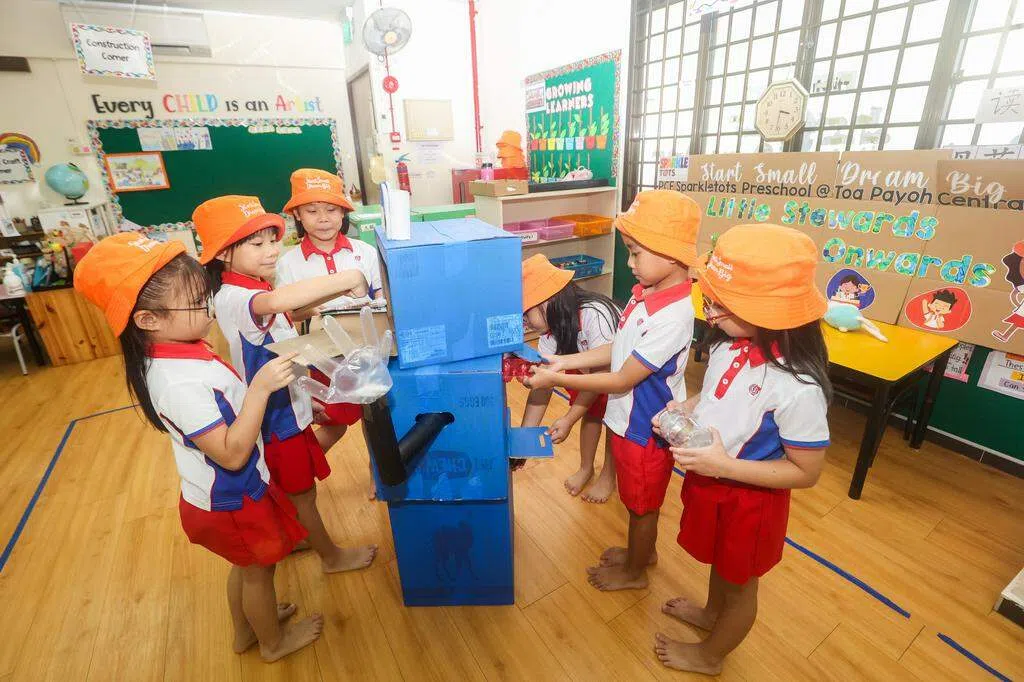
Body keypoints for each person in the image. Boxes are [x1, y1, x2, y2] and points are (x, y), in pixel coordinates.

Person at [74, 232, 323, 662]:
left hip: (225, 494)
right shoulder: (177, 383)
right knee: (259, 572)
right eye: (197, 304)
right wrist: (261, 388)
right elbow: (231, 454)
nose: (209, 311)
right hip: (232, 497)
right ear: (148, 320)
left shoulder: (181, 350)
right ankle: (272, 643)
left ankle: (247, 629)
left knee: (247, 566)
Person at [652, 224, 831, 676]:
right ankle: (711, 614)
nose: (709, 314)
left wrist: (724, 465)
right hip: (712, 480)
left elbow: (806, 471)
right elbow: (716, 395)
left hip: (750, 502)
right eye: (709, 300)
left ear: (766, 312)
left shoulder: (798, 387)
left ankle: (711, 656)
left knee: (741, 585)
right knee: (721, 563)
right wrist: (687, 407)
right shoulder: (729, 345)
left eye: (719, 305)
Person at [523, 189, 698, 591]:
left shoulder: (672, 316)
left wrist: (557, 378)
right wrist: (565, 362)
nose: (629, 263)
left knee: (642, 507)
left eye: (635, 253)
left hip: (645, 428)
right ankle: (642, 553)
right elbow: (618, 350)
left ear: (671, 255)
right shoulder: (644, 296)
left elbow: (621, 379)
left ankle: (636, 572)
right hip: (625, 420)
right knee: (636, 503)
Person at [193, 195, 378, 574]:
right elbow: (275, 303)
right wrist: (350, 278)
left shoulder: (251, 286)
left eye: (273, 241)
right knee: (304, 494)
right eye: (257, 244)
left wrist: (305, 398)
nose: (271, 251)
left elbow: (280, 327)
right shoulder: (237, 295)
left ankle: (295, 533)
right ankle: (331, 557)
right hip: (275, 418)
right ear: (224, 254)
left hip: (286, 406)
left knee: (297, 486)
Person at [276, 169, 385, 457]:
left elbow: (381, 296)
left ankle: (377, 471)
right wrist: (315, 308)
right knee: (334, 420)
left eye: (331, 210)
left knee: (377, 417)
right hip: (324, 357)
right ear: (297, 215)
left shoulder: (364, 251)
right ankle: (305, 468)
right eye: (312, 211)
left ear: (343, 212)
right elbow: (288, 316)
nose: (323, 218)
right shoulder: (289, 263)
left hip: (368, 352)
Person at [520, 254, 620, 501]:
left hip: (615, 376)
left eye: (526, 315)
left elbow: (602, 375)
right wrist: (523, 440)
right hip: (585, 367)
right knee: (591, 413)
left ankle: (608, 475)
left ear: (546, 301)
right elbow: (542, 389)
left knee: (614, 422)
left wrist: (568, 419)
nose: (525, 324)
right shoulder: (550, 332)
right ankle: (586, 468)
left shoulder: (595, 313)